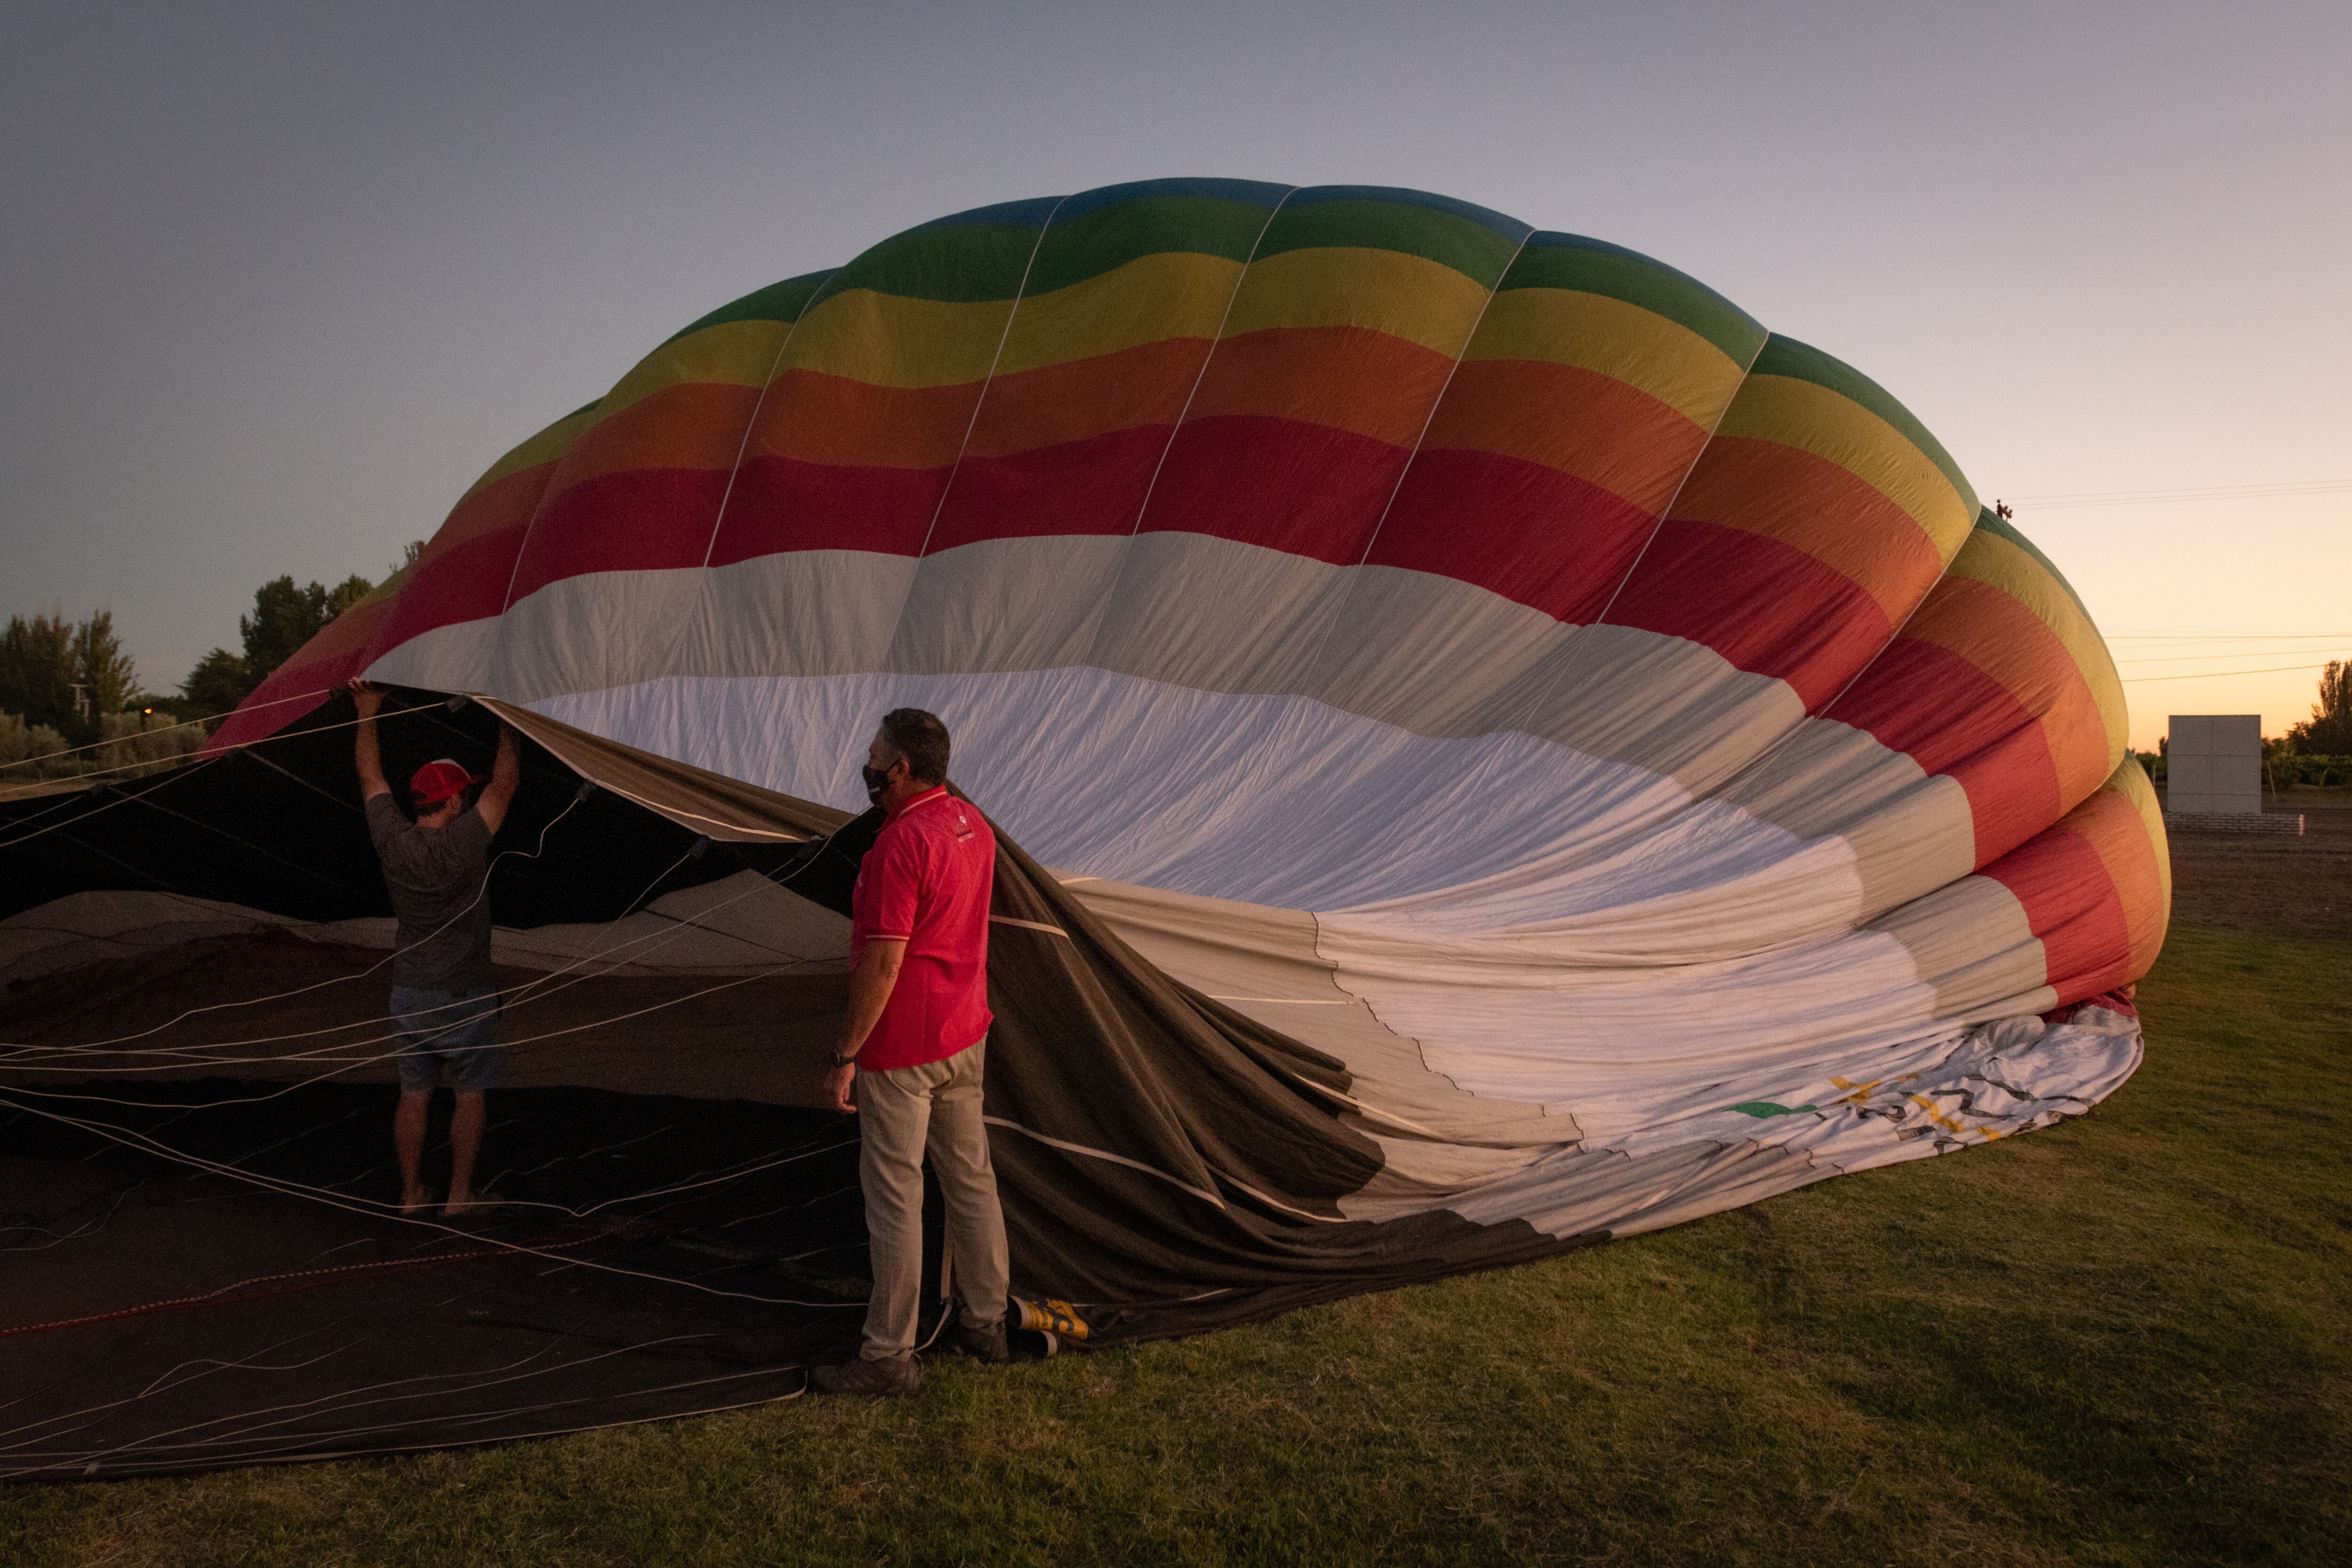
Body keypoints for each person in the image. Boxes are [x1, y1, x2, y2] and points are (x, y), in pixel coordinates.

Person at [811, 708, 1010, 1397]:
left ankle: (888, 1357)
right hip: (965, 1031)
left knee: (896, 1196)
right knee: (970, 1179)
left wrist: (846, 1052)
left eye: (874, 757)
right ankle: (985, 1321)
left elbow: (885, 962)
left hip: (906, 1046)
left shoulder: (901, 845)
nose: (867, 767)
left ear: (898, 769)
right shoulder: (973, 826)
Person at [349, 679, 521, 1217]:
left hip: (409, 993)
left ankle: (409, 1194)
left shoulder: (391, 840)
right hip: (463, 992)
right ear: (451, 801)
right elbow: (506, 785)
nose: (467, 798)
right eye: (462, 794)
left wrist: (366, 710)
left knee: (414, 1094)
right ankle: (458, 1197)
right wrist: (509, 719)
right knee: (469, 1094)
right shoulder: (464, 843)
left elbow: (370, 776)